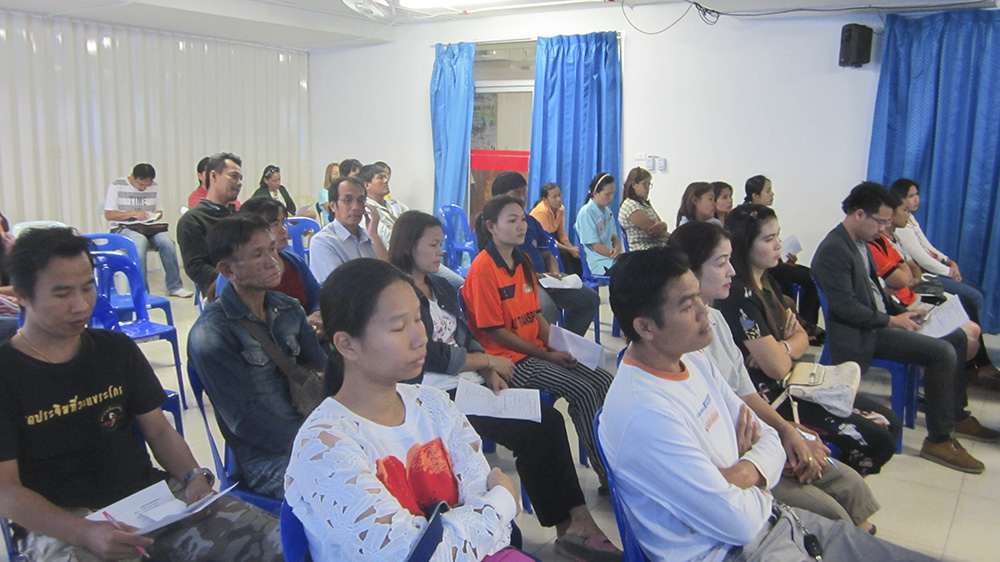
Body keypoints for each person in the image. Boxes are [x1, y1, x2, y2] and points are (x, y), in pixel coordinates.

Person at [599, 246, 934, 562]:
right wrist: (755, 468)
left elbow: (768, 436)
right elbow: (739, 524)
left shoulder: (694, 359)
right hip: (732, 552)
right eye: (688, 306)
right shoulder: (644, 413)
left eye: (699, 296)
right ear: (645, 327)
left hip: (778, 522)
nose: (705, 312)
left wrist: (744, 470)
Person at [0, 227, 282, 561]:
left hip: (147, 500)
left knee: (274, 541)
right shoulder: (7, 373)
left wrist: (193, 477)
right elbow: (6, 489)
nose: (81, 305)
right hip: (61, 522)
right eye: (62, 294)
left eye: (88, 287)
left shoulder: (115, 350)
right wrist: (84, 532)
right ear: (21, 294)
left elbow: (158, 429)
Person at [389, 210, 623, 561]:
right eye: (434, 245)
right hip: (435, 394)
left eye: (441, 243)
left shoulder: (440, 286)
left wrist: (487, 370)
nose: (442, 251)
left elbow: (467, 334)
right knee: (533, 430)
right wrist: (485, 362)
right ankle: (572, 526)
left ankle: (575, 523)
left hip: (471, 384)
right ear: (409, 247)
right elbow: (429, 354)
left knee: (546, 419)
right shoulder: (399, 296)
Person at [284, 258, 531, 562]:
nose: (420, 338)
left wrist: (485, 517)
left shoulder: (435, 405)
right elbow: (414, 556)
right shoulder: (324, 445)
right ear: (347, 345)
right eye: (399, 327)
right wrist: (503, 501)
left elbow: (495, 529)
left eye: (418, 318)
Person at [669, 221, 881, 531]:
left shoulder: (721, 318)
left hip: (758, 431)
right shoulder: (683, 342)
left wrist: (787, 432)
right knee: (832, 514)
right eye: (721, 263)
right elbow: (771, 372)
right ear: (689, 271)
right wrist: (774, 447)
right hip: (736, 452)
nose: (731, 271)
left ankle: (860, 537)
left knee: (850, 484)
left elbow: (745, 392)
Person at [811, 182, 999, 473]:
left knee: (957, 338)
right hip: (862, 334)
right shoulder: (834, 250)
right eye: (880, 221)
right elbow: (846, 308)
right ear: (859, 214)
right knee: (942, 352)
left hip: (878, 322)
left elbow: (876, 292)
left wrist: (905, 312)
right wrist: (893, 321)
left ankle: (955, 414)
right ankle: (939, 440)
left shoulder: (859, 242)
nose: (883, 228)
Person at [719, 204, 898, 476]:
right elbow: (777, 367)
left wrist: (782, 347)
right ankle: (836, 481)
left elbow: (803, 336)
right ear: (744, 246)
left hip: (793, 381)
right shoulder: (739, 296)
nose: (779, 245)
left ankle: (839, 478)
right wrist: (787, 347)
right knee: (878, 438)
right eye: (768, 239)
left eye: (778, 236)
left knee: (890, 422)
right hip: (768, 398)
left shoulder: (767, 283)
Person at [464, 195, 615, 487]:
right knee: (584, 391)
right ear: (491, 227)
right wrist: (547, 355)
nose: (521, 226)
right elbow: (495, 332)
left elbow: (536, 316)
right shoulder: (483, 269)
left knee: (604, 380)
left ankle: (613, 462)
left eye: (522, 219)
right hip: (510, 362)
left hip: (536, 352)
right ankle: (606, 476)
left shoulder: (522, 261)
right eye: (512, 220)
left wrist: (557, 347)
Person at [188, 215, 327, 499]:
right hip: (266, 459)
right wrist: (318, 440)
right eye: (257, 254)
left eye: (272, 249)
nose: (272, 261)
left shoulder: (289, 308)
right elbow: (245, 421)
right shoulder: (211, 333)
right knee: (347, 490)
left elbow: (326, 372)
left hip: (315, 435)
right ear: (227, 269)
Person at [875, 193, 999, 386]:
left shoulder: (891, 238)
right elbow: (907, 273)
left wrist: (945, 262)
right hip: (904, 302)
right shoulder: (873, 244)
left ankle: (971, 372)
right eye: (904, 209)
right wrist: (944, 271)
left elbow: (911, 265)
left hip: (911, 293)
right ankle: (956, 382)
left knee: (971, 310)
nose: (908, 213)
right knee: (968, 307)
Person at [492, 171, 600, 337]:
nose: (522, 198)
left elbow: (547, 254)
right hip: (522, 281)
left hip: (545, 278)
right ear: (500, 197)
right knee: (547, 310)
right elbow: (505, 270)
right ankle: (540, 349)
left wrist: (554, 274)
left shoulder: (531, 222)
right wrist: (537, 277)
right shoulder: (496, 228)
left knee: (590, 299)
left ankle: (564, 344)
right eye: (516, 193)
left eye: (524, 192)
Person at [887, 179, 988, 334]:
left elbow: (926, 248)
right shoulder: (899, 229)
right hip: (923, 278)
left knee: (979, 292)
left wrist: (948, 261)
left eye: (917, 194)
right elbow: (922, 260)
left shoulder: (909, 220)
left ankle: (971, 337)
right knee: (974, 297)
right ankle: (968, 336)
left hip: (921, 277)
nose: (916, 199)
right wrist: (948, 272)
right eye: (911, 196)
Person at [746, 174, 823, 335]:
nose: (772, 194)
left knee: (813, 276)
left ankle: (806, 324)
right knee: (801, 278)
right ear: (755, 195)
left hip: (775, 265)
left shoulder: (765, 215)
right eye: (768, 191)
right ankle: (805, 325)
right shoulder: (748, 218)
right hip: (767, 268)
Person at [104, 163, 193, 297]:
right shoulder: (117, 185)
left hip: (147, 228)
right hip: (123, 228)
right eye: (140, 185)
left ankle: (175, 286)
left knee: (167, 243)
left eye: (147, 185)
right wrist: (134, 214)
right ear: (132, 177)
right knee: (140, 242)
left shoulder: (154, 187)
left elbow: (159, 211)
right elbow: (109, 215)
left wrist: (154, 215)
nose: (144, 188)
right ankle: (142, 291)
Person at [233, 198, 322, 330]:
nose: (283, 229)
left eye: (283, 222)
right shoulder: (238, 272)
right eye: (275, 224)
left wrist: (317, 314)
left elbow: (316, 295)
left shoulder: (293, 261)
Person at [177, 151, 242, 298]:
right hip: (222, 294)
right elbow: (196, 268)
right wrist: (234, 278)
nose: (239, 183)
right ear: (213, 176)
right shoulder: (193, 220)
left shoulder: (239, 217)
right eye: (233, 176)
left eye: (240, 178)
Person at [308, 175, 387, 284]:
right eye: (348, 200)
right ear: (333, 206)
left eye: (360, 201)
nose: (356, 207)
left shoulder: (370, 237)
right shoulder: (323, 241)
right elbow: (338, 287)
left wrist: (374, 234)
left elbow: (390, 274)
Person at [528, 182, 582, 276]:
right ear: (545, 200)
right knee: (564, 254)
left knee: (576, 255)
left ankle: (577, 280)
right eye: (554, 197)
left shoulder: (561, 209)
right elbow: (547, 239)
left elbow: (562, 235)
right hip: (540, 241)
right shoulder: (542, 212)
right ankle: (563, 280)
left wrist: (572, 248)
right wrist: (569, 249)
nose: (559, 199)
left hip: (553, 238)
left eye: (559, 195)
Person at [575, 172, 622, 275]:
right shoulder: (586, 213)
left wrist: (617, 249)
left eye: (613, 193)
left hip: (612, 258)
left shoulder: (608, 212)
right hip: (599, 262)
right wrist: (612, 254)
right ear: (596, 193)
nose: (611, 198)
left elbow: (614, 237)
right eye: (608, 194)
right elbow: (595, 245)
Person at [617, 167, 669, 251]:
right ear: (634, 185)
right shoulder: (630, 205)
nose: (647, 188)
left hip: (656, 246)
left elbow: (661, 224)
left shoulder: (645, 203)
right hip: (643, 250)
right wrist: (673, 237)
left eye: (649, 184)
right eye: (645, 184)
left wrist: (663, 225)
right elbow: (653, 230)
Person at [361, 163, 408, 247]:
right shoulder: (366, 210)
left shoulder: (395, 204)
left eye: (386, 177)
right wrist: (404, 226)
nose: (386, 180)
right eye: (380, 178)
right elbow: (386, 237)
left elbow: (416, 224)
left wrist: (394, 228)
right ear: (367, 185)